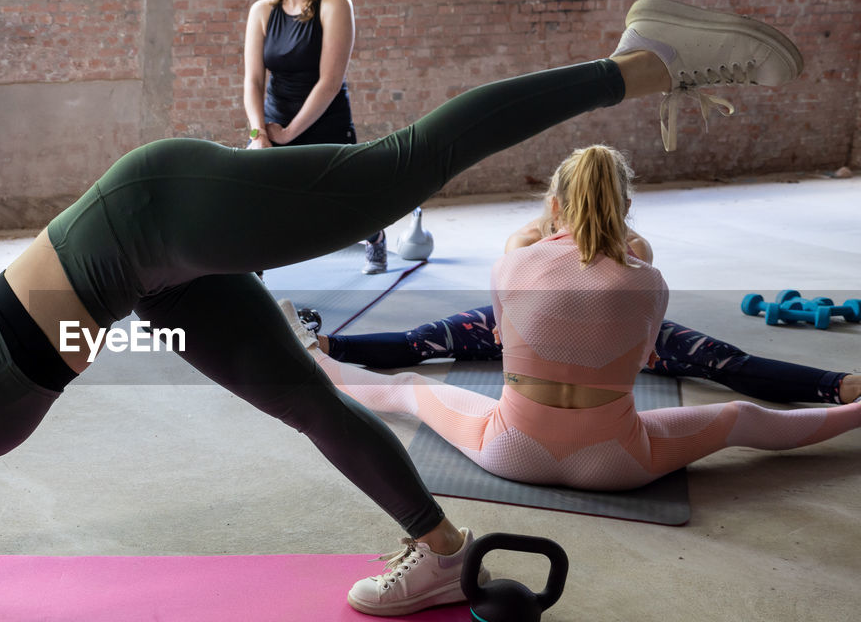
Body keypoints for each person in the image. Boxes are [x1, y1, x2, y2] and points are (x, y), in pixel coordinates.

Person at [0, 0, 806, 622]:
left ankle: (642, 58)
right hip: (154, 273)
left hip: (164, 213)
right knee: (308, 402)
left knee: (403, 163)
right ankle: (440, 548)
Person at [294, 142, 861, 494]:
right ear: (627, 210)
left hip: (509, 449)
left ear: (553, 204)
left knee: (411, 391)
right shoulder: (647, 278)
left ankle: (307, 357)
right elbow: (642, 352)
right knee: (739, 414)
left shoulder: (513, 263)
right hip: (619, 462)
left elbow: (505, 325)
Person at [301, 199, 861, 405]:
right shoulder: (527, 239)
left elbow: (644, 318)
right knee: (419, 341)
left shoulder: (631, 246)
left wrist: (640, 347)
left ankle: (837, 386)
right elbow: (505, 309)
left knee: (723, 361)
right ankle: (318, 345)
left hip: (599, 339)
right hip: (529, 337)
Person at [242, 0, 387, 275]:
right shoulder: (262, 11)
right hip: (275, 119)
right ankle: (253, 272)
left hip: (325, 118)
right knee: (254, 195)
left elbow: (330, 80)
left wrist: (290, 134)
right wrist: (259, 134)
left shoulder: (335, 3)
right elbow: (253, 81)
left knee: (342, 208)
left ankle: (376, 238)